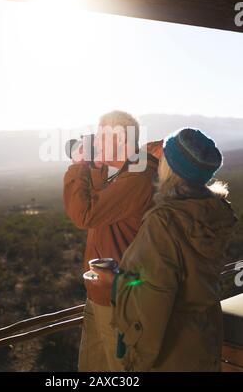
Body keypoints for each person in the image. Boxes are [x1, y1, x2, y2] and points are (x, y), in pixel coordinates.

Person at [91, 128, 237, 372]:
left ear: (171, 167)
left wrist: (115, 282)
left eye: (164, 158)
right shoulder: (214, 214)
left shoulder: (164, 222)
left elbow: (152, 300)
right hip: (204, 341)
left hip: (170, 352)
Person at [63, 110, 162, 372]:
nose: (95, 142)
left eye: (102, 136)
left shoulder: (138, 176)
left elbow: (85, 214)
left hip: (121, 298)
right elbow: (94, 202)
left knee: (120, 370)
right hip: (98, 292)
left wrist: (78, 166)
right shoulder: (117, 174)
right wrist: (92, 165)